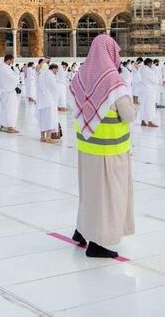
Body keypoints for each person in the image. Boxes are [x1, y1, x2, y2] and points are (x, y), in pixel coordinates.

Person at [70, 34, 136, 258]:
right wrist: (134, 105)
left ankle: (82, 230)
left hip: (87, 148)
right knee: (108, 197)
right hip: (109, 150)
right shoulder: (113, 81)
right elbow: (128, 115)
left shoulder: (80, 76)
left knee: (89, 193)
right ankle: (98, 243)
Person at [36, 62, 61, 144]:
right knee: (50, 119)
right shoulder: (50, 75)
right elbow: (54, 88)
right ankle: (48, 138)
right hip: (49, 101)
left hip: (41, 101)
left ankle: (42, 137)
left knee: (43, 120)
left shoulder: (42, 74)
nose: (56, 72)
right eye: (56, 70)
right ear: (54, 68)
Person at [0, 54, 20, 134]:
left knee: (5, 109)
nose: (13, 62)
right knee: (10, 110)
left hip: (5, 92)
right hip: (8, 92)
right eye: (12, 60)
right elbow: (14, 78)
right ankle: (10, 127)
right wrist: (17, 76)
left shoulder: (3, 67)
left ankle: (3, 125)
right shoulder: (5, 68)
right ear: (9, 59)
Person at [138, 58, 160, 127]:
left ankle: (143, 121)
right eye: (151, 64)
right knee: (150, 106)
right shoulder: (148, 70)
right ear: (149, 63)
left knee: (143, 105)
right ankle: (150, 122)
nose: (152, 65)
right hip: (149, 90)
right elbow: (155, 80)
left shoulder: (142, 68)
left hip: (143, 89)